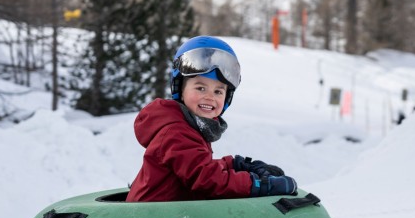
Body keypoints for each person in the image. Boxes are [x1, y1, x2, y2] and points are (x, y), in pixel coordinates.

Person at [126, 36, 297, 202]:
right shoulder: (176, 132)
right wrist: (258, 185)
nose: (209, 97)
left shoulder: (188, 127)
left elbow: (198, 166)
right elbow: (205, 180)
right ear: (180, 88)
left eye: (218, 91)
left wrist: (234, 164)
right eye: (200, 88)